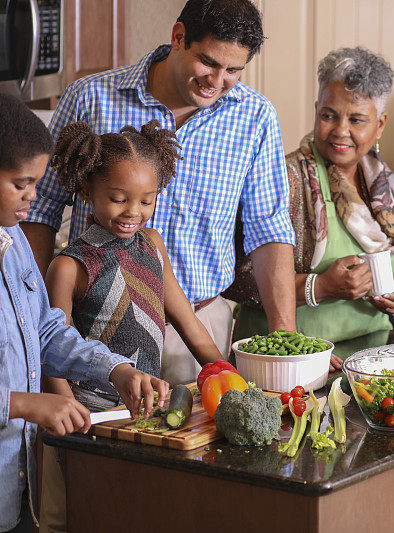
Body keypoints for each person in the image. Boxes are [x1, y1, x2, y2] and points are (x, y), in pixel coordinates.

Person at [21, 0, 297, 386]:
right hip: (90, 328)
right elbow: (40, 207)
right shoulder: (91, 97)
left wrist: (285, 334)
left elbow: (269, 227)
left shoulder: (257, 117)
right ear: (179, 36)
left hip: (198, 326)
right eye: (209, 62)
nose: (217, 80)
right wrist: (29, 314)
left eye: (233, 70)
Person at [37, 120, 227, 532]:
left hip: (143, 414)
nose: (133, 213)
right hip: (88, 420)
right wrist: (68, 423)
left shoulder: (153, 245)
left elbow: (188, 323)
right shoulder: (70, 266)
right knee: (79, 514)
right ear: (86, 191)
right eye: (119, 199)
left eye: (146, 201)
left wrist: (229, 377)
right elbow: (52, 351)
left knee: (133, 512)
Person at [0, 93, 168, 533]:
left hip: (15, 484)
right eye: (21, 184)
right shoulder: (70, 261)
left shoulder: (13, 243)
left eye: (36, 183)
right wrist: (24, 403)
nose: (34, 197)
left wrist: (116, 371)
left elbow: (47, 330)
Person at [225, 47, 394, 359]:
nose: (340, 131)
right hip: (288, 358)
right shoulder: (284, 177)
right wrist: (322, 286)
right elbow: (234, 279)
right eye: (329, 115)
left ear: (380, 124)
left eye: (357, 119)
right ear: (316, 109)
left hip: (372, 357)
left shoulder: (383, 181)